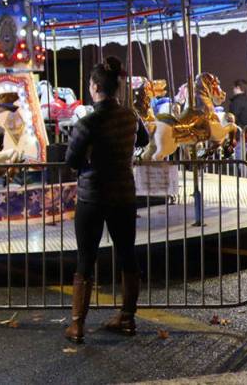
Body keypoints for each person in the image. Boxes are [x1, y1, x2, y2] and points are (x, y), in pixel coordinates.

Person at [63, 56, 150, 344]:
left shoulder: (87, 122)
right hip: (124, 194)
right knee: (127, 254)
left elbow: (72, 160)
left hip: (92, 195)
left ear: (96, 87)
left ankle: (77, 325)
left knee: (86, 257)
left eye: (90, 84)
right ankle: (127, 317)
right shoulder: (130, 117)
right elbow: (144, 141)